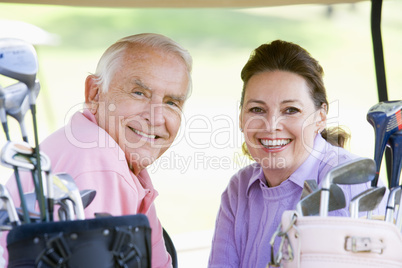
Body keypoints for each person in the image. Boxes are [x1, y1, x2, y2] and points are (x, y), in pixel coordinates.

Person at [1, 33, 192, 268]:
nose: (156, 117)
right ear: (94, 93)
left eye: (172, 103)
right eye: (139, 93)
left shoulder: (88, 142)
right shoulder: (100, 164)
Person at [208, 40, 387, 267]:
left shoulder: (354, 183)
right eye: (257, 110)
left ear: (320, 117)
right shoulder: (239, 189)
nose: (271, 125)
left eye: (290, 110)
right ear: (242, 118)